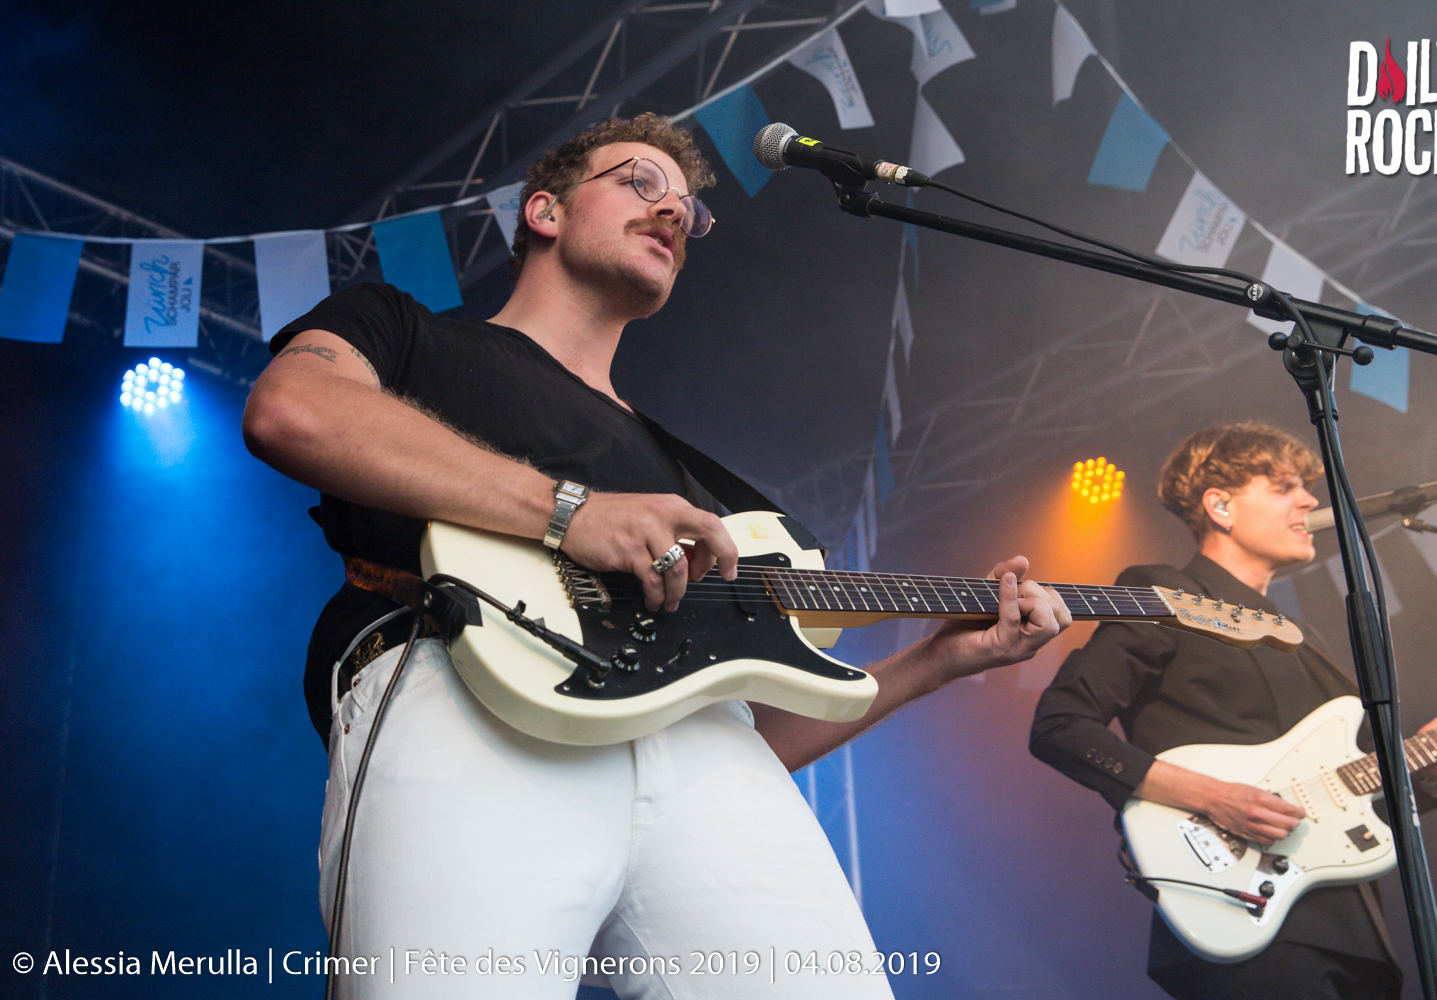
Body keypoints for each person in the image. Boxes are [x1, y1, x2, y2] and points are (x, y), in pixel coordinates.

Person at [242, 113, 1072, 999]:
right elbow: (294, 411)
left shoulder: (698, 490)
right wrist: (568, 512)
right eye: (640, 182)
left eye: (689, 208)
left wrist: (938, 660)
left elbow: (732, 710)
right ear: (545, 211)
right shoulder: (403, 328)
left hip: (712, 761)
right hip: (458, 690)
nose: (675, 211)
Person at [1029, 422, 1437, 1000]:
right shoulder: (1166, 594)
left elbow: (1332, 790)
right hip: (1237, 910)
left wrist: (1420, 767)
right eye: (1284, 488)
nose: (1307, 501)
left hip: (1349, 930)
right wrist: (1212, 796)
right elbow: (1060, 725)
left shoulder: (1301, 636)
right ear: (1220, 506)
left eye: (1305, 488)